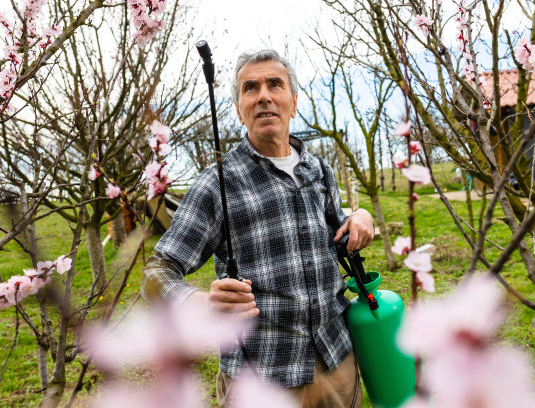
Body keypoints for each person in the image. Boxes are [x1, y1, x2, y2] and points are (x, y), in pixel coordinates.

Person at [141, 49, 375, 407]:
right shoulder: (216, 184)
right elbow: (156, 272)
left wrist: (357, 218)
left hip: (336, 362)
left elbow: (332, 233)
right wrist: (198, 301)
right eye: (250, 88)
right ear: (239, 110)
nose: (264, 95)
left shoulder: (319, 171)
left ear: (293, 102)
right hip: (260, 377)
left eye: (275, 84)